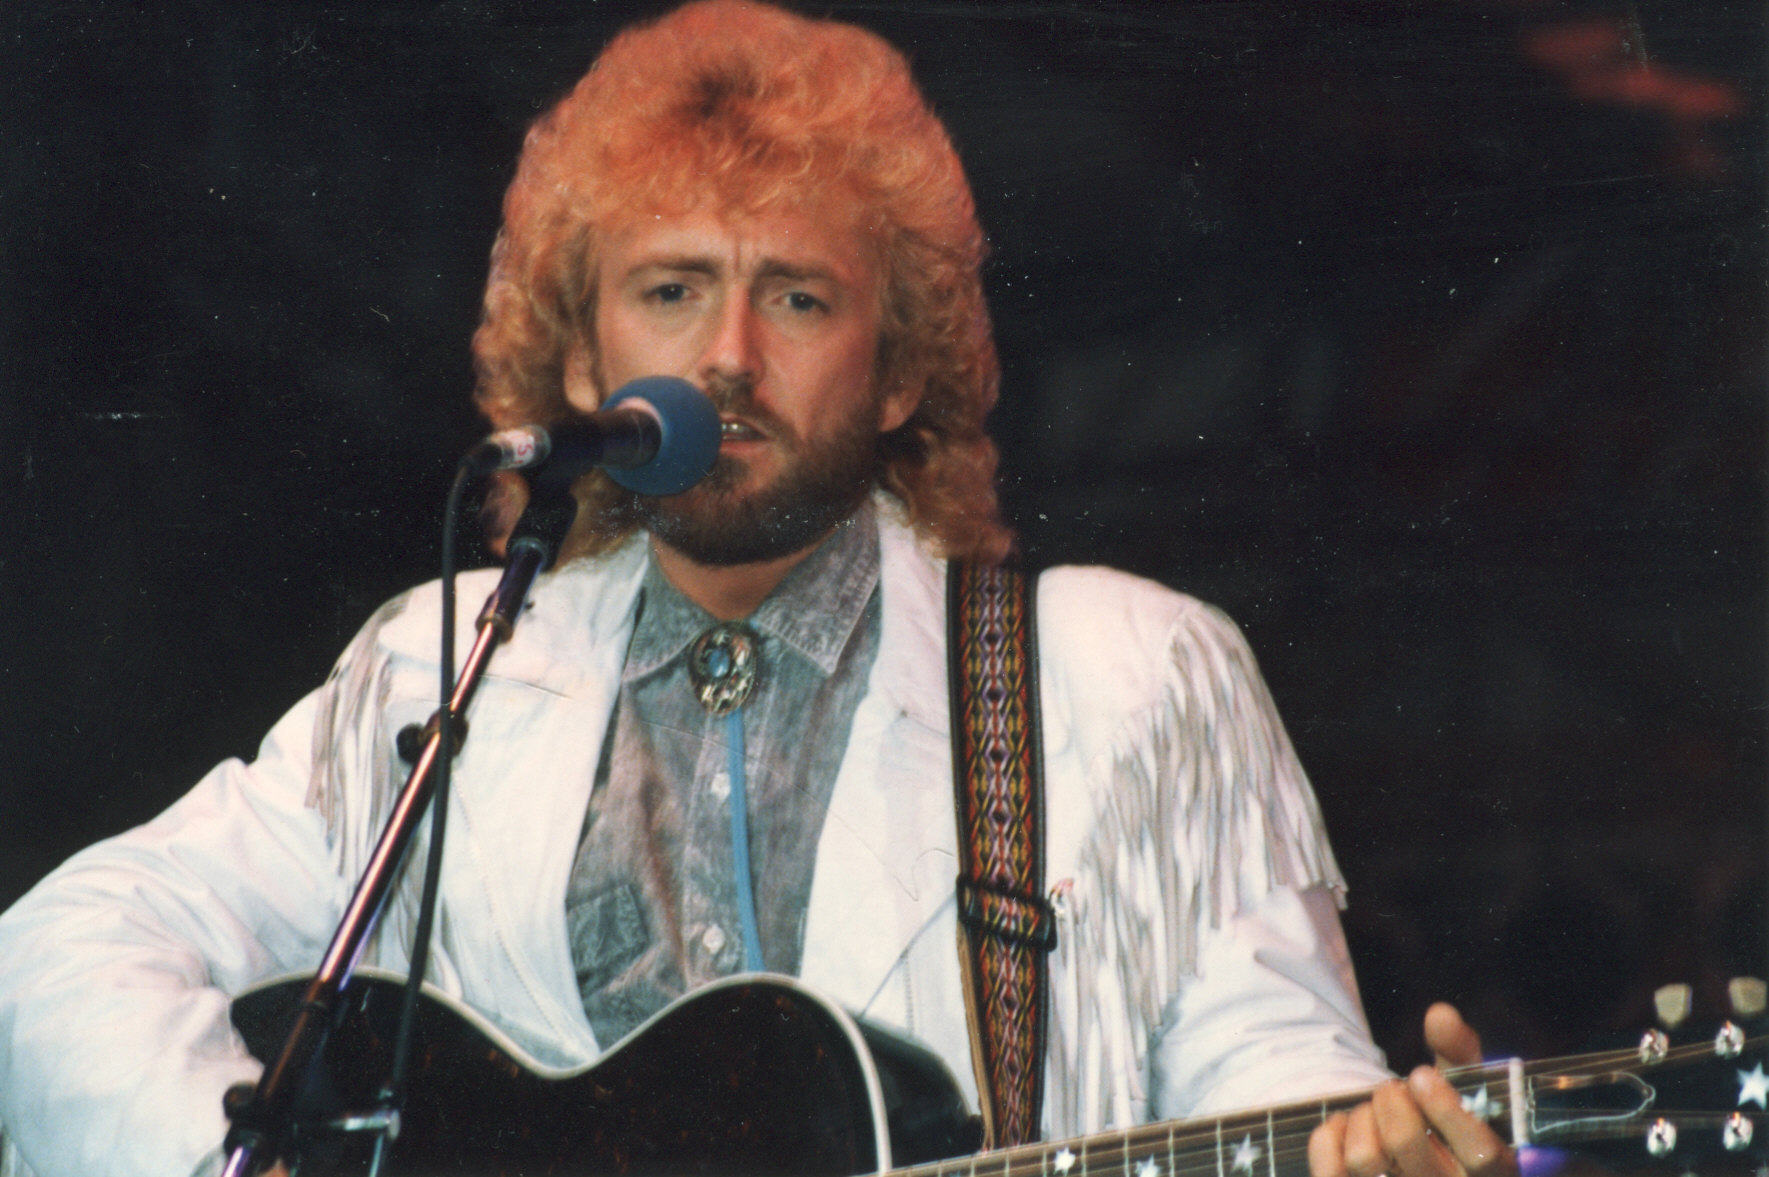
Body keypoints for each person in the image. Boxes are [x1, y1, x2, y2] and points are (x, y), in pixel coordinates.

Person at [0, 5, 1518, 1177]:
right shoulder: (437, 668)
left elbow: (1279, 1086)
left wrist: (1381, 1153)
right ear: (584, 358)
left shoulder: (1132, 671)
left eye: (796, 295)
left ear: (901, 368)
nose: (725, 356)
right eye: (671, 289)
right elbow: (62, 948)